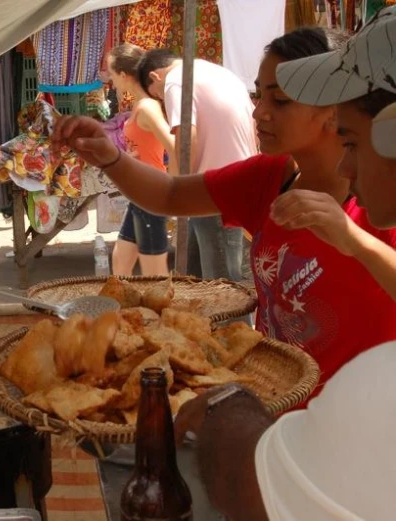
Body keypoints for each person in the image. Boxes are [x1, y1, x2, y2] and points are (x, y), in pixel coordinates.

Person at [51, 27, 396, 390]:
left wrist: (354, 239)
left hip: (361, 417)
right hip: (277, 403)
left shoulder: (381, 197)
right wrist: (110, 157)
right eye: (259, 96)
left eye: (280, 101)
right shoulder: (270, 178)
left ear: (333, 110)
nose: (258, 113)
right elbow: (170, 195)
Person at [172, 11, 396, 521]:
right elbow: (168, 194)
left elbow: (259, 496)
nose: (343, 164)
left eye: (352, 139)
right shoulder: (275, 177)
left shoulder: (376, 393)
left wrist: (228, 415)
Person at [137, 48, 258, 281]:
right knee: (194, 275)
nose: (162, 100)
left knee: (222, 284)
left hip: (217, 189)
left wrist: (174, 190)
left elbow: (185, 142)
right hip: (236, 183)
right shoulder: (219, 73)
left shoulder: (176, 81)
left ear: (155, 76)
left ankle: (227, 319)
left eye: (158, 96)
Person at [106, 44, 176, 277]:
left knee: (154, 274)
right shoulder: (139, 106)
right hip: (140, 194)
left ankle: (163, 313)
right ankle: (124, 311)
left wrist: (174, 188)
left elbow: (174, 145)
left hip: (151, 193)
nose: (111, 80)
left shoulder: (147, 107)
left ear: (124, 75)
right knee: (121, 263)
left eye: (112, 73)